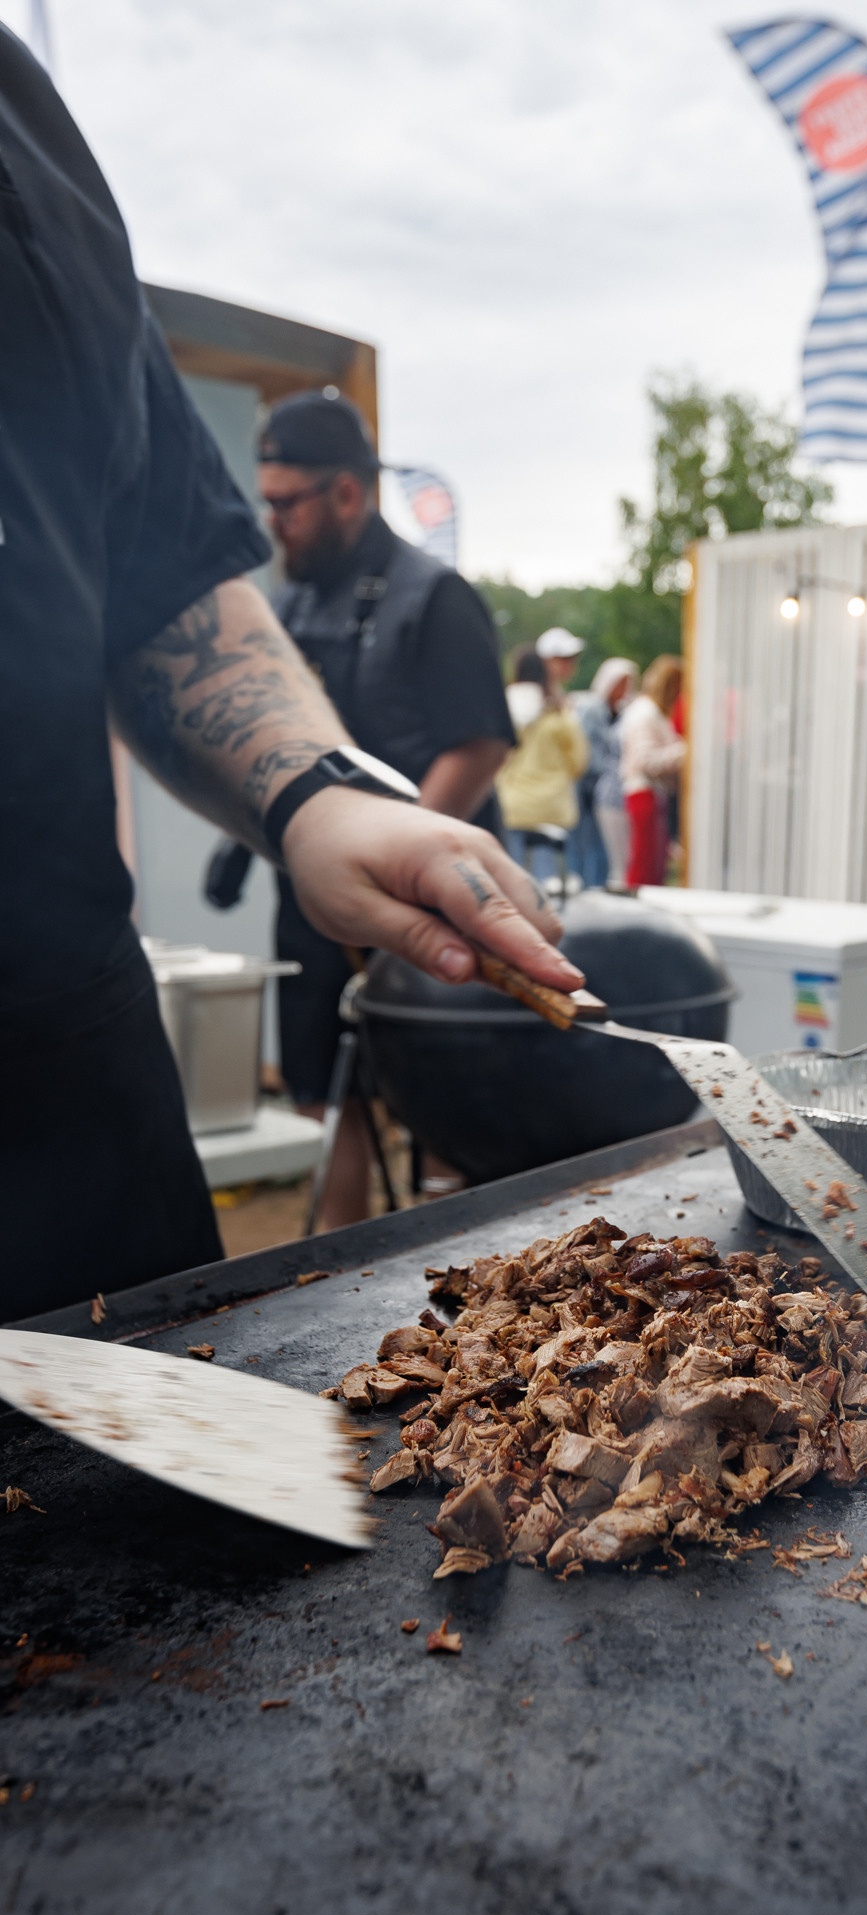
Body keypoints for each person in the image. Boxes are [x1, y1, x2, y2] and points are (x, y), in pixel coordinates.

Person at [0, 25, 579, 1322]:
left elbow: (157, 581)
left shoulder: (21, 124)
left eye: (292, 499)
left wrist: (321, 796)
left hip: (66, 1089)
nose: (274, 523)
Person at [256, 390, 515, 1226]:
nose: (275, 524)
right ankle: (335, 1252)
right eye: (266, 503)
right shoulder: (287, 603)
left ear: (346, 492)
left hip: (431, 896)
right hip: (313, 888)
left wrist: (400, 868)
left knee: (439, 1091)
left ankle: (455, 1251)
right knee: (323, 1089)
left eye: (287, 503)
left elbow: (479, 744)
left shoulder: (434, 596)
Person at [496, 650, 590, 880]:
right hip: (551, 806)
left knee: (512, 880)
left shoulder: (502, 712)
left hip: (512, 804)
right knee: (546, 885)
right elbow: (579, 761)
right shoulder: (558, 716)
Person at [571, 657, 637, 889]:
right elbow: (585, 747)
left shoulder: (620, 711)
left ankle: (597, 887)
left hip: (606, 786)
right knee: (583, 841)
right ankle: (582, 886)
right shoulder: (591, 708)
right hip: (587, 783)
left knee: (602, 846)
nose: (624, 690)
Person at [620, 655, 686, 887]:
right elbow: (645, 760)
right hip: (644, 794)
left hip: (652, 795)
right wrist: (684, 751)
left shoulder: (649, 712)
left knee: (654, 865)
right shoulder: (645, 713)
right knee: (645, 865)